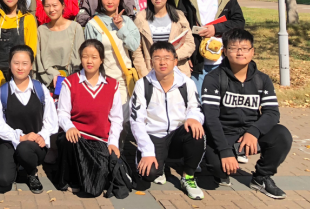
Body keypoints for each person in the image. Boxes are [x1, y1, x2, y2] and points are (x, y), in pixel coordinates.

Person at [202, 28, 292, 199]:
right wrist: (225, 151)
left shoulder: (262, 79)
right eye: (234, 48)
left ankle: (261, 177)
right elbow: (211, 118)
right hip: (224, 132)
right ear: (224, 51)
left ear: (252, 51)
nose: (240, 52)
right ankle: (219, 169)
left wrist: (254, 132)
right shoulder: (213, 79)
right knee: (218, 167)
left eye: (245, 48)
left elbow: (272, 113)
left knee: (282, 134)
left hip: (250, 132)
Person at [129, 42, 205, 200]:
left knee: (196, 132)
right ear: (151, 62)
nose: (162, 62)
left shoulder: (187, 83)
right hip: (154, 136)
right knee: (148, 175)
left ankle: (188, 177)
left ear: (175, 61)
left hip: (178, 135)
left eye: (167, 58)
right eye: (157, 58)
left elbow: (195, 107)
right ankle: (160, 164)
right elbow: (136, 121)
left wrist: (193, 118)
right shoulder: (143, 85)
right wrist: (147, 152)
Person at [56, 39, 123, 195]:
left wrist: (113, 143)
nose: (89, 61)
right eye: (85, 56)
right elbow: (62, 113)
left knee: (94, 189)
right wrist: (69, 127)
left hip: (100, 140)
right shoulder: (70, 82)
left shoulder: (112, 85)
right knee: (67, 139)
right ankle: (71, 178)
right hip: (77, 139)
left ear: (101, 60)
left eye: (94, 57)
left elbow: (116, 118)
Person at [0, 45, 57, 194]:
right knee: (3, 180)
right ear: (10, 64)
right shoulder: (2, 93)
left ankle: (31, 172)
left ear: (31, 66)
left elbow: (51, 119)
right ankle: (16, 163)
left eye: (25, 63)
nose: (20, 67)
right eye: (16, 63)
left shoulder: (40, 90)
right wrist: (20, 137)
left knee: (24, 149)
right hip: (10, 141)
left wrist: (42, 136)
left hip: (35, 145)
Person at [177, 0, 245, 95]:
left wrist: (216, 29)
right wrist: (186, 56)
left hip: (222, 60)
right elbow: (179, 28)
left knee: (221, 100)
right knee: (198, 100)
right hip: (196, 62)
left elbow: (239, 22)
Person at [83, 0, 141, 108]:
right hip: (102, 81)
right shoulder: (92, 24)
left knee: (124, 117)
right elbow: (90, 56)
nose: (110, 1)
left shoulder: (127, 21)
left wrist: (121, 27)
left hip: (124, 81)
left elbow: (134, 45)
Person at [132, 0, 194, 78]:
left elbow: (190, 43)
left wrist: (172, 56)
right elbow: (136, 49)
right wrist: (145, 74)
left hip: (178, 72)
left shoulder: (179, 16)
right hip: (151, 72)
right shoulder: (140, 18)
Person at [35, 0, 85, 90]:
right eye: (47, 6)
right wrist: (53, 74)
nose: (51, 9)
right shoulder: (41, 30)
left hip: (72, 82)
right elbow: (38, 61)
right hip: (47, 84)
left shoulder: (76, 28)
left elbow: (80, 59)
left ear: (62, 5)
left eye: (55, 5)